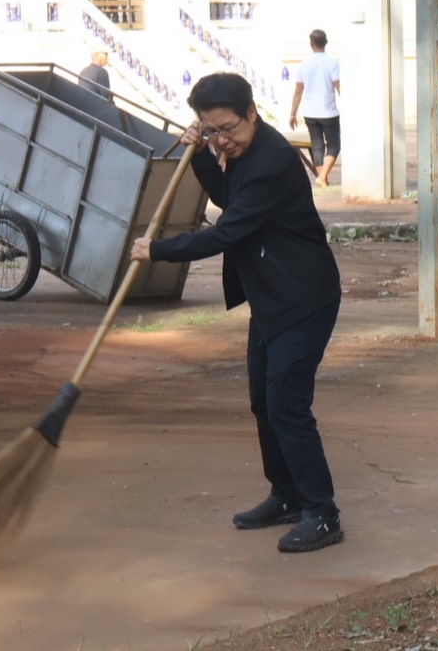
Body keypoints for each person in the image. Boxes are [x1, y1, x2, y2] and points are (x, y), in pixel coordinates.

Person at [130, 73, 344, 553]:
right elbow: (229, 197)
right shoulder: (241, 153)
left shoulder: (272, 160)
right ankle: (287, 494)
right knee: (263, 404)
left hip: (303, 298)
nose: (222, 139)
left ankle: (322, 512)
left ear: (252, 112)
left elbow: (228, 230)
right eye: (210, 131)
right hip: (271, 297)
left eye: (227, 129)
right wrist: (204, 155)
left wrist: (157, 251)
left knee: (287, 405)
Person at [288, 29, 341, 187]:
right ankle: (322, 176)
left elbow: (298, 91)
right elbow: (339, 87)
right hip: (329, 112)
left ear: (311, 44)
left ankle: (322, 179)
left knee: (317, 145)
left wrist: (293, 113)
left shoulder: (304, 65)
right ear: (326, 43)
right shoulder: (332, 64)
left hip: (310, 112)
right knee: (334, 145)